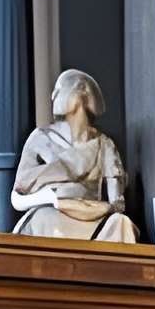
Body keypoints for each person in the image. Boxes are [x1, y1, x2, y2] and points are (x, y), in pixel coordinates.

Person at [10, 70, 137, 242]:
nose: (53, 95)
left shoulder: (103, 144)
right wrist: (50, 199)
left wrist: (93, 208)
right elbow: (17, 196)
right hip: (51, 213)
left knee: (121, 223)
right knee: (44, 219)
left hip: (92, 216)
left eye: (60, 89)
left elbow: (117, 204)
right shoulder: (41, 137)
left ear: (80, 94)